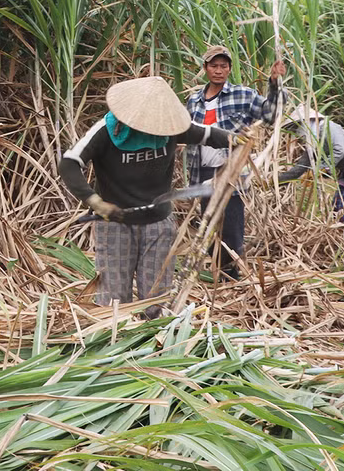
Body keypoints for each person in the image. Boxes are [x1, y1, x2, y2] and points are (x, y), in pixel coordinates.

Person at [59, 76, 236, 318]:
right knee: (114, 300)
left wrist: (236, 139)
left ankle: (156, 337)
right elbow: (69, 163)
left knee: (157, 299)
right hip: (115, 224)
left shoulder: (168, 127)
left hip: (158, 224)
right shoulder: (106, 131)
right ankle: (117, 338)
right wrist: (94, 201)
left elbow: (207, 135)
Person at [185, 45, 287, 279]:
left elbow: (270, 115)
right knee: (209, 224)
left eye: (223, 66)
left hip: (231, 172)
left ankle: (231, 275)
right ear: (205, 68)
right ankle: (216, 271)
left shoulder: (243, 95)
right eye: (214, 66)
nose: (218, 70)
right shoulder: (194, 101)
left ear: (230, 69)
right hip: (203, 171)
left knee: (231, 227)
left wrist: (275, 84)